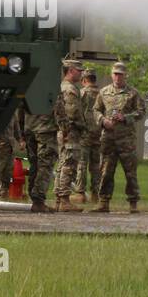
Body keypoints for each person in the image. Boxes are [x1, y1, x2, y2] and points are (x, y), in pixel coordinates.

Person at [93, 61, 144, 213]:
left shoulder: (132, 93)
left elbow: (141, 111)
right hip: (108, 139)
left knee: (130, 172)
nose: (117, 77)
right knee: (106, 171)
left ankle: (133, 203)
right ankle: (103, 202)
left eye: (120, 74)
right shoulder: (103, 92)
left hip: (126, 139)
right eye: (115, 74)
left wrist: (126, 117)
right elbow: (96, 110)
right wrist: (103, 121)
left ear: (125, 75)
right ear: (111, 75)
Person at [53, 59, 86, 213]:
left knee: (62, 164)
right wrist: (82, 126)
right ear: (71, 70)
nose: (81, 73)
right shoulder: (70, 89)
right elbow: (72, 113)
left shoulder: (63, 86)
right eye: (79, 70)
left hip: (65, 130)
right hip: (70, 131)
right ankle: (64, 199)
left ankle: (59, 199)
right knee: (69, 164)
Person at [23, 96, 59, 214]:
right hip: (46, 129)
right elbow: (59, 107)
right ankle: (38, 200)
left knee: (34, 164)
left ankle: (35, 198)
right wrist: (65, 128)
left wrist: (21, 131)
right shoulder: (49, 85)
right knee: (45, 165)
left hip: (29, 128)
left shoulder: (30, 85)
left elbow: (20, 108)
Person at [73, 68, 100, 203]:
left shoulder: (81, 93)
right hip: (99, 134)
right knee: (96, 165)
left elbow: (76, 112)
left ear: (84, 80)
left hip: (84, 134)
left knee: (82, 164)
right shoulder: (102, 94)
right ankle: (96, 193)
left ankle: (80, 193)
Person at [0, 106, 24, 200]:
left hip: (10, 147)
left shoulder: (12, 111)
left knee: (7, 176)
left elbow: (16, 127)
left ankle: (3, 198)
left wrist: (20, 140)